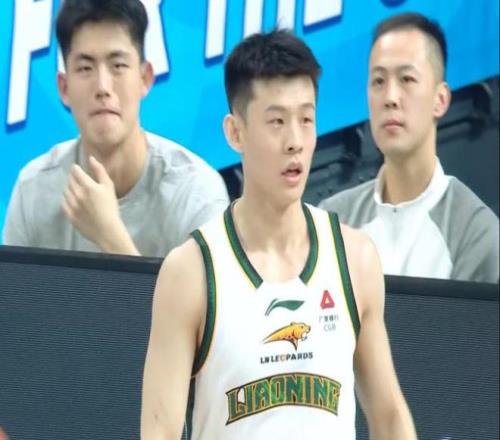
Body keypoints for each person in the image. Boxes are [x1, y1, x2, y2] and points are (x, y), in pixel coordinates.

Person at [141, 29, 416, 439]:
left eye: (306, 119)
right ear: (235, 132)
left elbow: (389, 416)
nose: (295, 142)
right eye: (277, 122)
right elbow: (158, 431)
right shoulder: (191, 272)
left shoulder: (354, 259)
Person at [2, 0, 229, 257]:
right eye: (85, 68)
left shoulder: (196, 192)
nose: (103, 87)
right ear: (64, 88)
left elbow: (210, 286)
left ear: (145, 79)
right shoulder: (34, 189)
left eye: (118, 66)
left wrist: (110, 235)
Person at [319, 12, 499, 283]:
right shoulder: (333, 221)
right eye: (379, 81)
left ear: (441, 99)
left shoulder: (476, 232)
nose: (390, 98)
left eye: (407, 79)